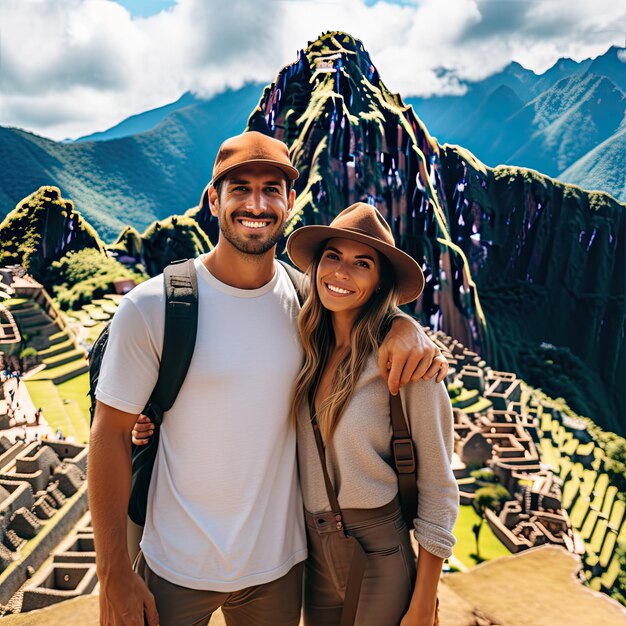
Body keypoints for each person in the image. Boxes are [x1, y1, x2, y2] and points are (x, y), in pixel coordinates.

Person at [90, 131, 448, 626]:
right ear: (214, 199)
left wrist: (406, 328)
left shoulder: (305, 301)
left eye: (271, 189)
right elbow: (108, 433)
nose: (255, 203)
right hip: (176, 563)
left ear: (289, 202)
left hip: (279, 570)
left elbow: (360, 302)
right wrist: (112, 573)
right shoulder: (151, 307)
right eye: (239, 188)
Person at [286, 203, 459, 626]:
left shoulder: (407, 367)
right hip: (313, 551)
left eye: (361, 263)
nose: (341, 273)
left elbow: (439, 486)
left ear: (380, 282)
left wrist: (423, 604)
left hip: (380, 552)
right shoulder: (306, 345)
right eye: (333, 256)